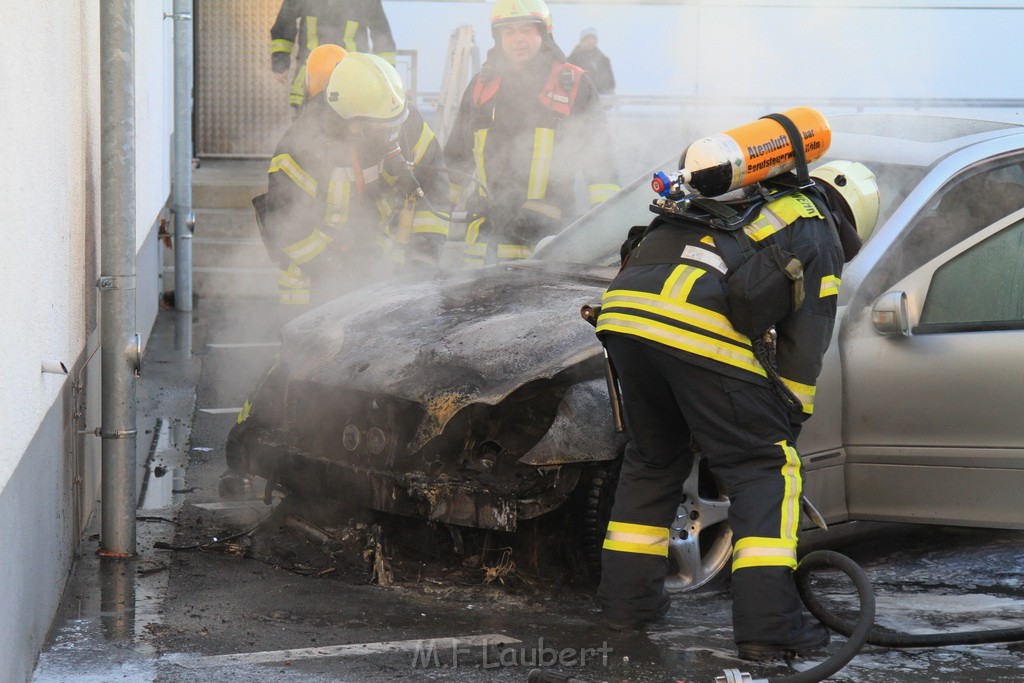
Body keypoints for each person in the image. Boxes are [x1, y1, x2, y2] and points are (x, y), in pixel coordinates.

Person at [592, 156, 879, 660]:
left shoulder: (747, 199)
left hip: (623, 315)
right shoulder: (816, 228)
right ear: (850, 215)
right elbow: (805, 344)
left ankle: (626, 608)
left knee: (653, 461)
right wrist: (784, 427)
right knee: (765, 471)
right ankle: (771, 630)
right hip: (691, 327)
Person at [256, 51, 448, 308]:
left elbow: (433, 189)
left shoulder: (403, 121)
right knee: (311, 346)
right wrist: (336, 271)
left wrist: (423, 258)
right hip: (310, 282)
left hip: (377, 265)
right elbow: (285, 228)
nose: (393, 136)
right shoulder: (301, 146)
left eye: (395, 126)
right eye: (383, 130)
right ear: (353, 126)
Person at [443, 0, 620, 267]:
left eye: (526, 30)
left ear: (544, 33)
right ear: (498, 37)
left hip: (548, 246)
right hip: (482, 246)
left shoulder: (573, 86)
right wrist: (430, 231)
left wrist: (609, 236)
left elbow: (601, 167)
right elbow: (455, 160)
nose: (518, 40)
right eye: (509, 32)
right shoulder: (481, 87)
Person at [270, 0, 397, 111]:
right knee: (309, 131)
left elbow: (381, 32)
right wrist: (280, 61)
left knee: (348, 133)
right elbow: (284, 23)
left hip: (349, 82)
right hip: (314, 81)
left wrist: (387, 73)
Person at [567, 28, 615, 99]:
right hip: (579, 102)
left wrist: (608, 97)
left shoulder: (604, 60)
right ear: (582, 41)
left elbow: (610, 83)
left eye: (593, 38)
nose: (590, 41)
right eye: (587, 39)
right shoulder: (572, 60)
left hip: (601, 101)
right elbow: (567, 82)